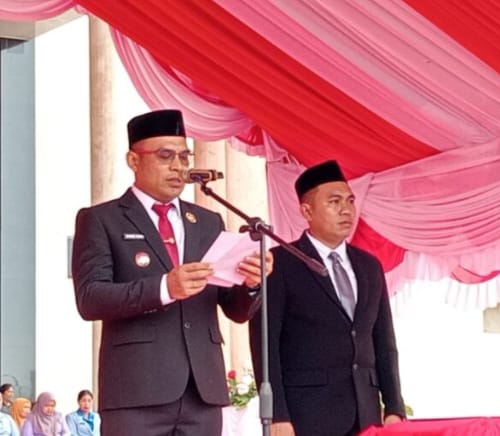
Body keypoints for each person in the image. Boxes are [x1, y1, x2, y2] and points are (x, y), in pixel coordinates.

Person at [71, 109, 273, 436]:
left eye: (184, 156)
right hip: (136, 393)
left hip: (202, 394)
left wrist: (250, 284)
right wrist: (164, 287)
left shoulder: (208, 222)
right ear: (133, 160)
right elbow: (90, 298)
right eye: (165, 156)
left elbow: (234, 310)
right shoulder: (101, 219)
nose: (178, 166)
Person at [249, 160, 405, 436]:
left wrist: (394, 407)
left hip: (365, 414)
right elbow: (266, 345)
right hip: (306, 415)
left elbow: (384, 341)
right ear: (307, 211)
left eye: (350, 201)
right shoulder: (279, 263)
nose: (346, 210)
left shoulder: (369, 266)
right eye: (334, 202)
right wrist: (277, 415)